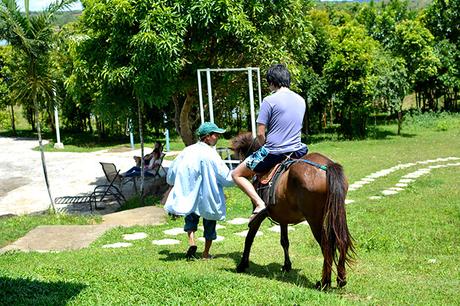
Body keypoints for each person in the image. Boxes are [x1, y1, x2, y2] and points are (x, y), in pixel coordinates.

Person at [231, 64, 308, 223]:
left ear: (272, 81)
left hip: (274, 151)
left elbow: (260, 133)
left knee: (236, 174)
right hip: (298, 150)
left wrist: (262, 144)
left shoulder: (269, 100)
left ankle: (259, 204)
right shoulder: (301, 100)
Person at [164, 122, 234, 260]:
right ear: (207, 137)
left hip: (190, 193)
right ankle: (206, 253)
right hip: (209, 195)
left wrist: (173, 182)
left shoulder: (187, 151)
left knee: (190, 219)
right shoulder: (211, 154)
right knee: (210, 223)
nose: (218, 137)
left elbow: (173, 171)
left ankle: (192, 242)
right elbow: (224, 176)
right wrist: (238, 178)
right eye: (216, 135)